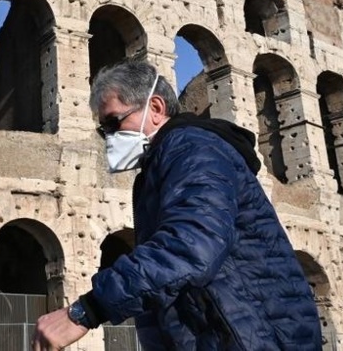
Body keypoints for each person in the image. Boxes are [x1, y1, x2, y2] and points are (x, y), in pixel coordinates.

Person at [33, 60, 321, 350]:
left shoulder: (194, 149)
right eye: (103, 130)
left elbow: (191, 246)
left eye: (113, 123)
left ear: (155, 108)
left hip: (252, 338)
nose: (109, 137)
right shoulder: (166, 162)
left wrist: (86, 311)